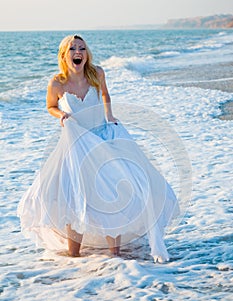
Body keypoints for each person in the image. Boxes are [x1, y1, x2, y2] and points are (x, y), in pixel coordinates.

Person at [17, 34, 180, 263]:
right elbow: (50, 106)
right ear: (64, 55)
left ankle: (115, 255)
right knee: (76, 194)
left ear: (86, 53)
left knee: (113, 191)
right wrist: (62, 115)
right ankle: (74, 257)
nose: (78, 52)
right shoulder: (57, 82)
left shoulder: (97, 73)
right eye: (73, 48)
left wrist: (110, 115)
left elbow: (105, 94)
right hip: (76, 143)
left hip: (102, 137)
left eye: (82, 48)